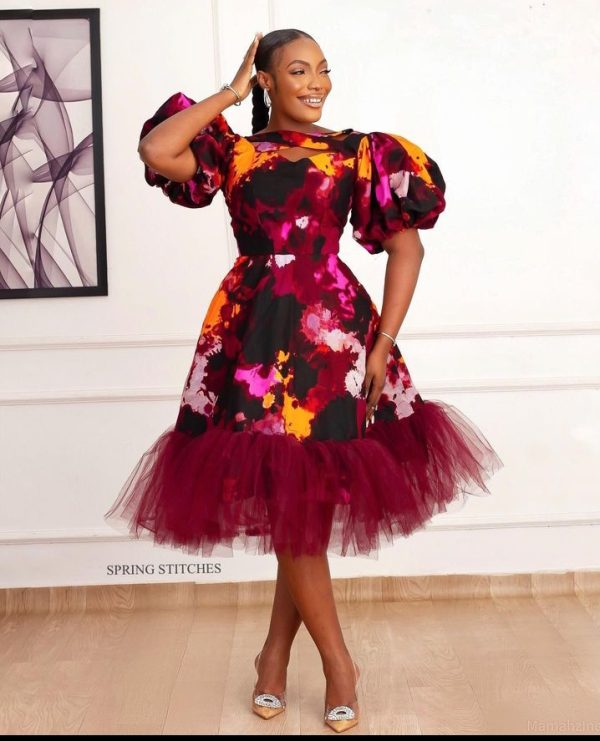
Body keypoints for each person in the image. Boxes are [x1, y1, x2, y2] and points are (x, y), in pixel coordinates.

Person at [104, 29, 503, 733]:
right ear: (266, 79)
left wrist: (383, 343)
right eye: (297, 70)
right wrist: (230, 94)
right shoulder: (233, 151)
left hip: (333, 339)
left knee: (305, 499)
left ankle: (282, 658)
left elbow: (407, 249)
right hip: (252, 337)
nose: (316, 83)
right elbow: (158, 151)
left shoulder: (358, 152)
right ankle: (329, 662)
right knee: (295, 499)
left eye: (322, 70)